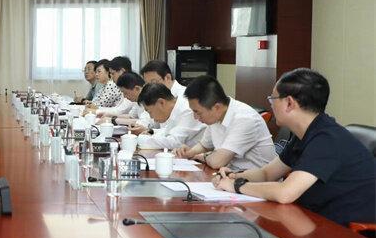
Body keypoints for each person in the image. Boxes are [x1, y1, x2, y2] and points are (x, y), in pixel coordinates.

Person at [212, 68, 375, 226]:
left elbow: (285, 193)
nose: (271, 105)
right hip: (314, 218)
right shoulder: (306, 133)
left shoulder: (327, 139)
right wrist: (234, 176)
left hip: (348, 232)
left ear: (289, 103)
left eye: (272, 99)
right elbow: (267, 173)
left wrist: (237, 186)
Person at [175, 76, 275, 170]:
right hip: (232, 174)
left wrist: (203, 156)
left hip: (257, 179)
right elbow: (204, 145)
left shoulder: (244, 119)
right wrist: (189, 152)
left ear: (216, 107)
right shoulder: (216, 116)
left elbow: (217, 162)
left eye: (198, 112)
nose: (195, 117)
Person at [136, 83, 205, 150]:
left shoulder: (187, 109)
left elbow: (175, 142)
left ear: (161, 102)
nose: (151, 117)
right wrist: (152, 132)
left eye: (150, 112)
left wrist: (141, 139)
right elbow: (169, 131)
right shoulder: (176, 108)